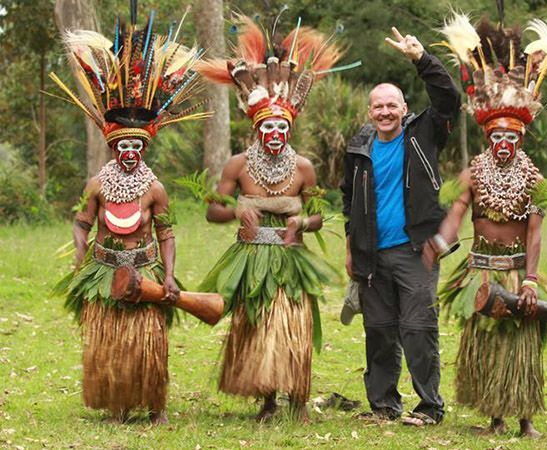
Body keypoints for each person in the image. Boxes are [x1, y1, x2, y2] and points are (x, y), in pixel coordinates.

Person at [52, 6, 209, 424]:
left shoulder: (155, 188)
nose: (129, 153)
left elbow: (167, 233)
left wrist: (169, 275)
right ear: (112, 147)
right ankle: (118, 403)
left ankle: (154, 405)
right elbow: (82, 222)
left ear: (144, 148)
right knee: (111, 342)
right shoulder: (97, 185)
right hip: (105, 270)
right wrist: (81, 258)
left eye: (135, 147)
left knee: (148, 341)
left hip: (145, 268)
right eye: (122, 146)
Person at [196, 17, 350, 422]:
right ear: (257, 127)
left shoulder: (303, 168)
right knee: (258, 324)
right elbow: (212, 210)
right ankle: (266, 399)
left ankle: (297, 400)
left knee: (294, 324)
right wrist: (238, 211)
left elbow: (319, 216)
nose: (276, 132)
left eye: (282, 125)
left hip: (291, 257)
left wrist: (301, 224)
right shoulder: (236, 165)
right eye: (269, 126)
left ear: (290, 127)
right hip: (251, 257)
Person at [428, 13, 547, 438]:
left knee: (521, 344)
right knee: (488, 342)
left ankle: (525, 420)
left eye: (511, 137)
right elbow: (455, 214)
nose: (504, 144)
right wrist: (439, 241)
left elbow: (535, 233)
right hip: (480, 270)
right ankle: (494, 417)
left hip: (514, 270)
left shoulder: (535, 179)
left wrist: (529, 280)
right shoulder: (472, 174)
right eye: (497, 138)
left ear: (521, 139)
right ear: (489, 138)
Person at [340, 26, 460, 426]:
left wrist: (421, 58)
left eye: (392, 105)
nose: (385, 112)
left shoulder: (423, 134)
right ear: (370, 112)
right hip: (372, 255)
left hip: (415, 252)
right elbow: (348, 201)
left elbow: (448, 99)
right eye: (378, 107)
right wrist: (349, 247)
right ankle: (384, 406)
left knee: (418, 330)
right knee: (379, 332)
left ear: (404, 107)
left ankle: (429, 407)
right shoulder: (359, 148)